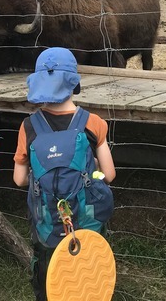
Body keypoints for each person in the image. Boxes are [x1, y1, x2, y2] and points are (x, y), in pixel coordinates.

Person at [12, 47, 116, 301]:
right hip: (87, 224)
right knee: (90, 282)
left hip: (48, 225)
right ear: (73, 83)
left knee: (51, 281)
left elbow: (18, 179)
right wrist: (92, 173)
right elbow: (109, 175)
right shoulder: (93, 123)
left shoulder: (28, 127)